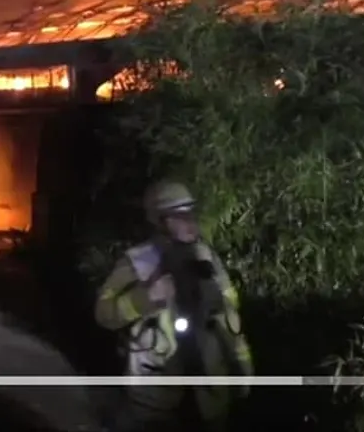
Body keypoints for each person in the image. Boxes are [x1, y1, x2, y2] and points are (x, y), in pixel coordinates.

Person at [94, 181, 254, 432]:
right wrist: (144, 298)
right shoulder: (139, 261)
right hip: (155, 399)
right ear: (160, 222)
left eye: (191, 213)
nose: (190, 222)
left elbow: (230, 314)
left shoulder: (205, 256)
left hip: (210, 397)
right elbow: (103, 313)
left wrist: (243, 370)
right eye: (179, 216)